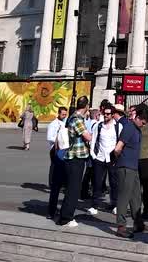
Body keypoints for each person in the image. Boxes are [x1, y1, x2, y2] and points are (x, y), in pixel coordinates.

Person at [112, 103, 147, 237]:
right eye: (143, 122)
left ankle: (138, 223)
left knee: (136, 196)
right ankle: (121, 226)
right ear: (137, 118)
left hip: (133, 167)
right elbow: (118, 148)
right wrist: (119, 160)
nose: (143, 125)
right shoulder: (129, 128)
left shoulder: (136, 128)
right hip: (126, 167)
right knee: (124, 197)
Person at [58, 97, 93, 228]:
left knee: (72, 187)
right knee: (73, 188)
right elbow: (87, 136)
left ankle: (65, 215)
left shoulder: (74, 117)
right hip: (75, 157)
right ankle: (66, 218)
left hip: (75, 156)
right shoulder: (77, 119)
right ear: (87, 106)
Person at [89, 102, 121, 215]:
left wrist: (118, 155)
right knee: (97, 182)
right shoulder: (98, 125)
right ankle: (94, 205)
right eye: (104, 114)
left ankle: (115, 204)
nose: (106, 116)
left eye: (108, 114)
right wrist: (93, 154)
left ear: (113, 115)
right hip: (100, 158)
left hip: (113, 159)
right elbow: (93, 140)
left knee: (114, 183)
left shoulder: (118, 126)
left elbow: (121, 142)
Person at [46, 107, 70, 219]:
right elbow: (49, 137)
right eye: (63, 114)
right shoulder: (53, 124)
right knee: (55, 183)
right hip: (55, 151)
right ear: (58, 113)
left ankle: (60, 210)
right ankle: (51, 211)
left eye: (65, 114)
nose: (64, 116)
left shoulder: (66, 123)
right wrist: (58, 137)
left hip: (64, 153)